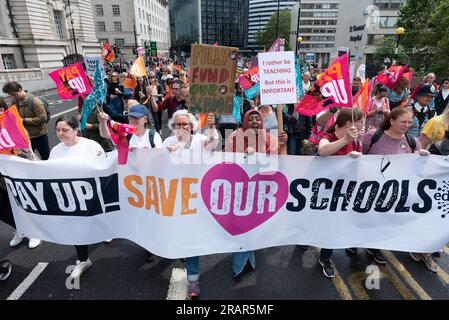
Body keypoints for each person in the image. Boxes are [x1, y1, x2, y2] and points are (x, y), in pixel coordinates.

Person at [362, 107, 436, 272]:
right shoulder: (373, 136)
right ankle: (361, 245)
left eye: (410, 122)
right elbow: (358, 155)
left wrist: (422, 156)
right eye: (403, 121)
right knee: (369, 220)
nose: (407, 125)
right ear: (392, 120)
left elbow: (417, 166)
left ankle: (374, 247)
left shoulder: (411, 141)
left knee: (385, 222)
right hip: (371, 189)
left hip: (395, 192)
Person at [225, 110, 287, 282]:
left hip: (261, 190)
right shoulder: (234, 137)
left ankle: (245, 260)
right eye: (250, 118)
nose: (254, 121)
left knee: (252, 226)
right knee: (241, 226)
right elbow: (226, 159)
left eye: (257, 118)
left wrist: (282, 145)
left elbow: (279, 162)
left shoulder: (269, 138)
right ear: (245, 121)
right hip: (240, 190)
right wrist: (245, 153)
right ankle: (239, 266)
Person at [163, 110, 219, 298]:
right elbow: (156, 167)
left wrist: (212, 127)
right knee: (179, 233)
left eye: (184, 124)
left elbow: (213, 143)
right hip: (175, 198)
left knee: (192, 238)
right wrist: (165, 155)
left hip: (196, 198)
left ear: (192, 126)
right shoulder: (167, 143)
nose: (181, 128)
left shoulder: (199, 139)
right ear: (172, 127)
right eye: (177, 125)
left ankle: (193, 279)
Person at [49, 116, 105, 279]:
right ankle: (83, 259)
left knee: (98, 220)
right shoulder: (55, 151)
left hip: (93, 195)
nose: (60, 133)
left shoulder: (91, 146)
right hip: (71, 199)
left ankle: (105, 231)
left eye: (65, 130)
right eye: (57, 130)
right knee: (76, 228)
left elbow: (104, 168)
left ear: (76, 130)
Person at [316, 108, 364, 278]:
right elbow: (323, 151)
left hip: (346, 189)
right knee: (327, 224)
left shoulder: (356, 140)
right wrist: (345, 140)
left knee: (337, 222)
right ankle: (324, 258)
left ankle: (346, 244)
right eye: (360, 122)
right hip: (325, 191)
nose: (362, 125)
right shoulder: (328, 137)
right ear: (349, 123)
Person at [2, 81, 50, 160]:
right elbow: (10, 114)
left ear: (20, 89)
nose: (13, 97)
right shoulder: (15, 101)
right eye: (10, 96)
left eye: (14, 95)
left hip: (39, 136)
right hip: (25, 137)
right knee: (27, 159)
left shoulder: (35, 101)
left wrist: (23, 120)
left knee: (46, 157)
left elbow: (43, 118)